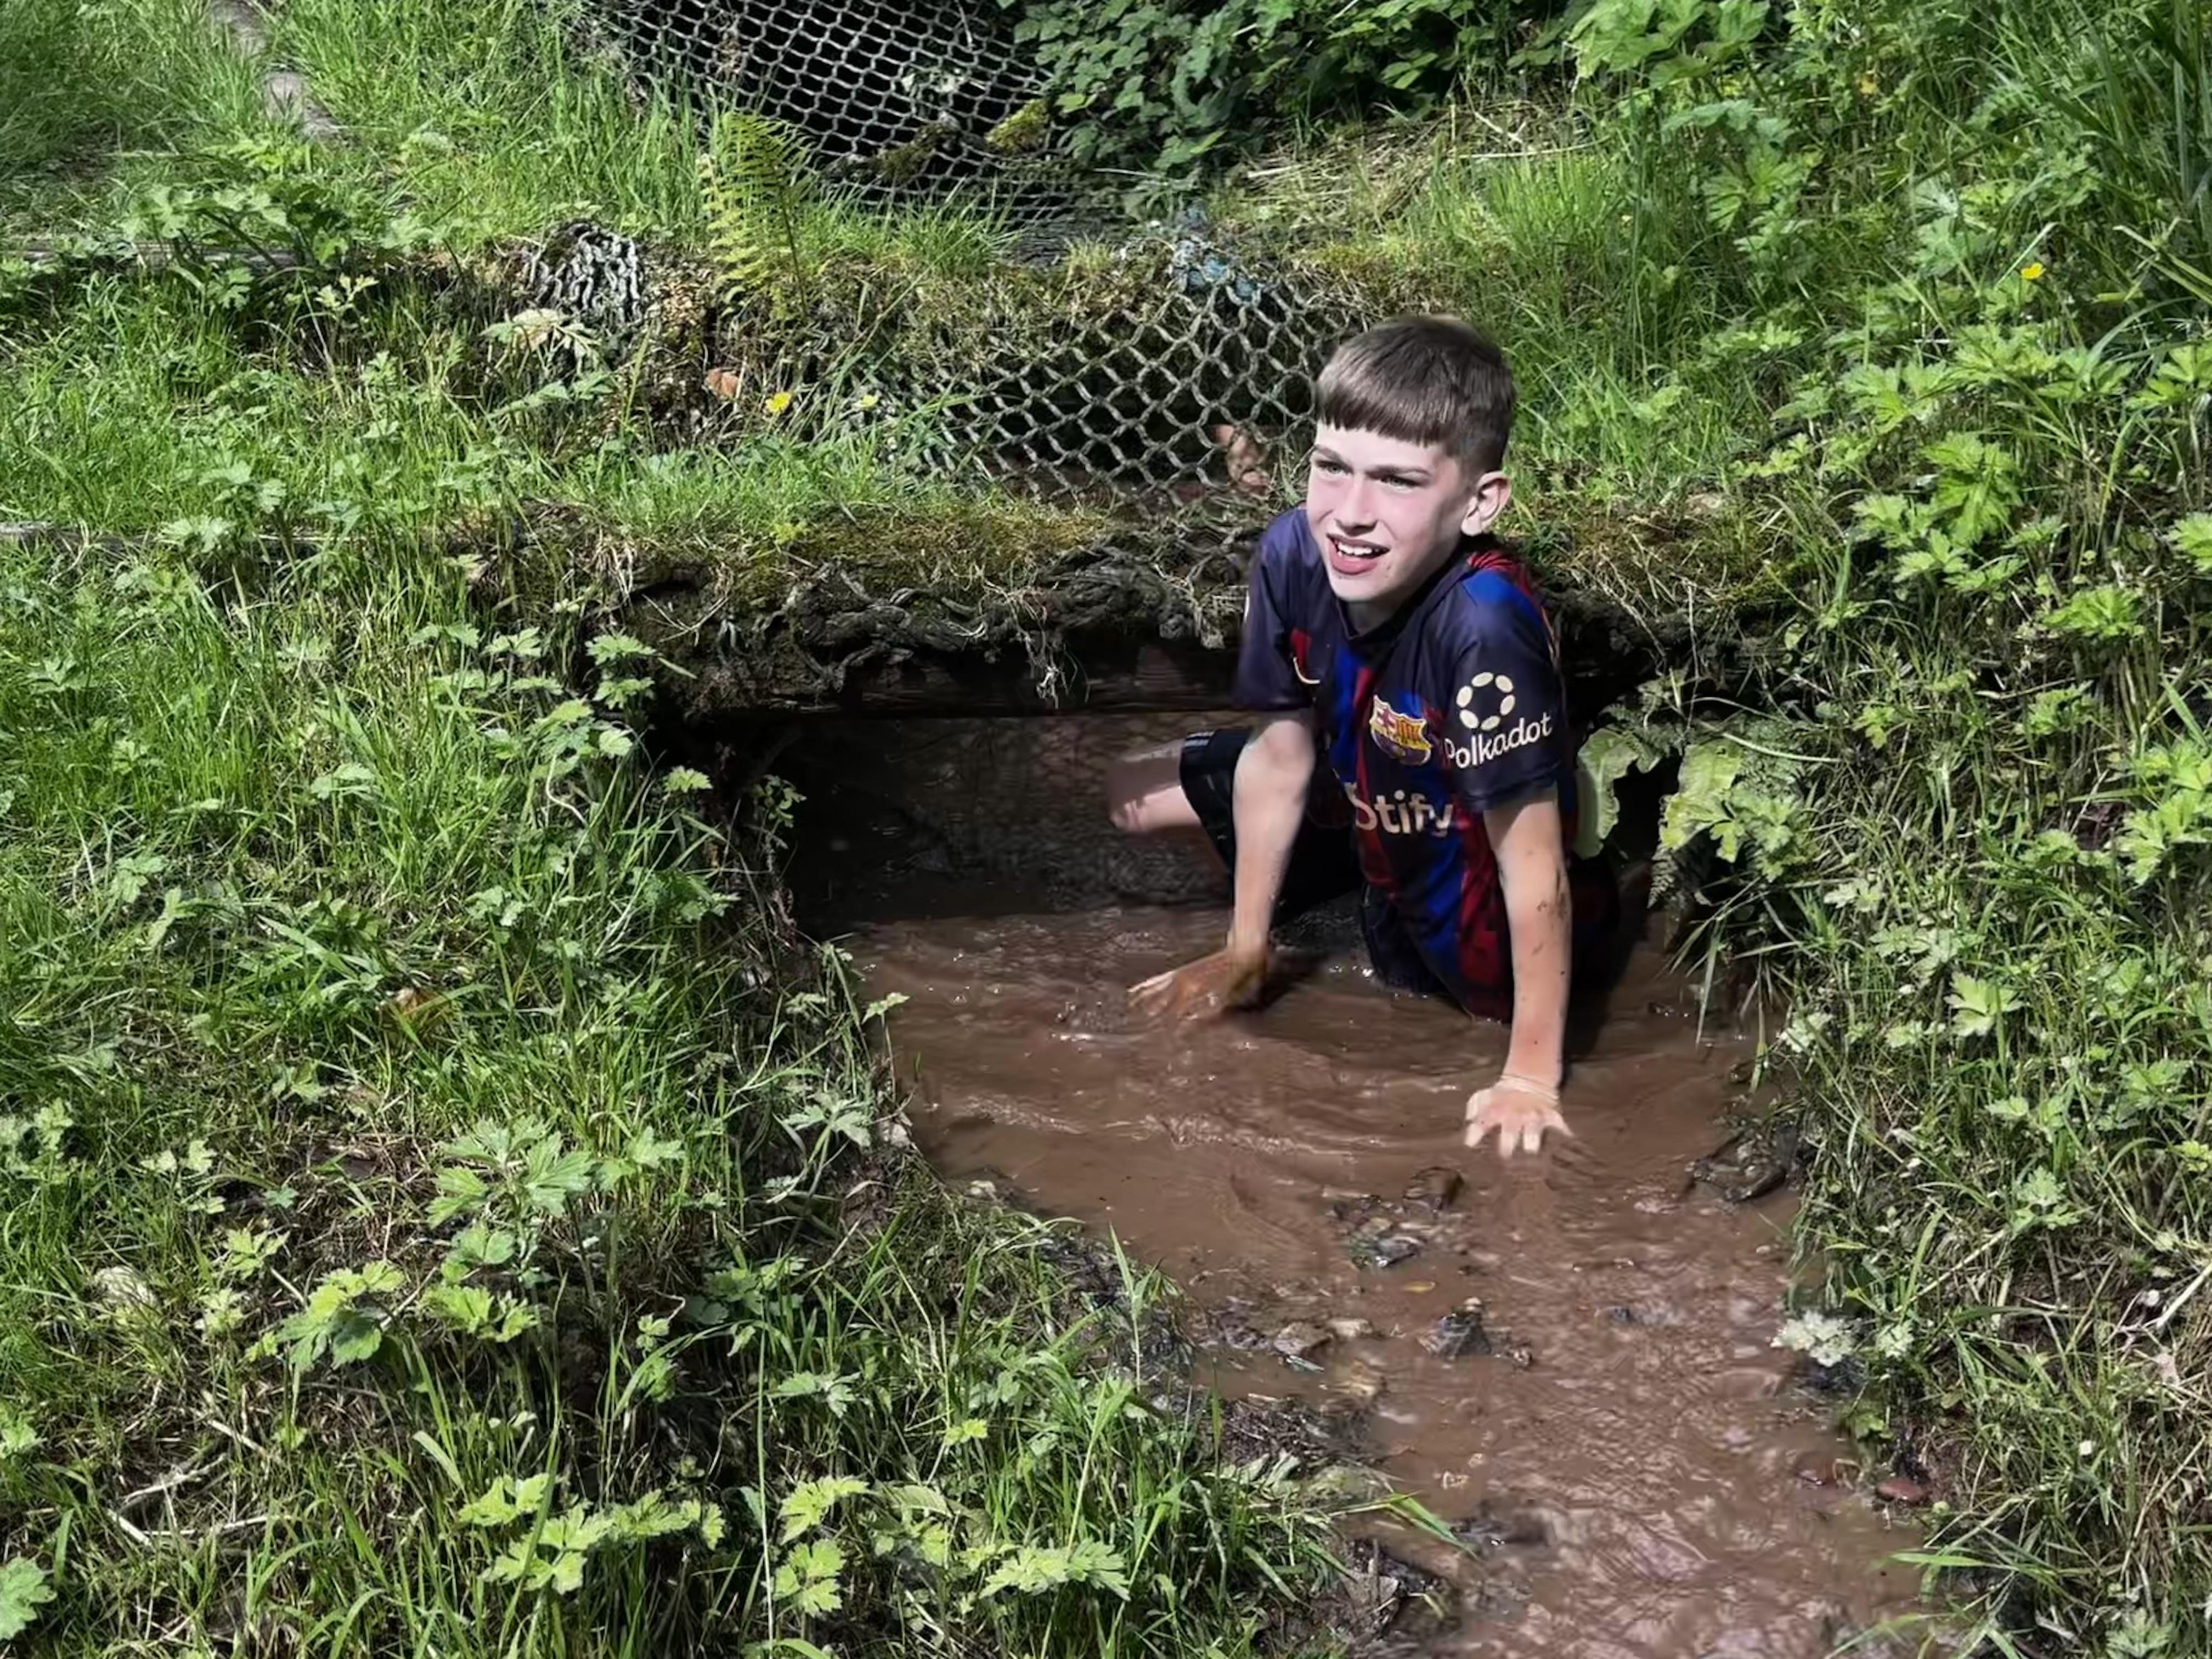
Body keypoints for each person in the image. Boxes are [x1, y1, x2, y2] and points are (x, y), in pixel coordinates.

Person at [1104, 315, 1618, 1159]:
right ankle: (1303, 911)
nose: (1350, 514)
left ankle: (1403, 932)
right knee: (1133, 787)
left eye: (1398, 483)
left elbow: (1534, 870)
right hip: (1370, 800)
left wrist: (1530, 1077)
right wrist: (1245, 949)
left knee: (1444, 990)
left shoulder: (1483, 623)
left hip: (1466, 882)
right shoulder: (1294, 549)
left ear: (1480, 502)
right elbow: (1279, 758)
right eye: (1331, 467)